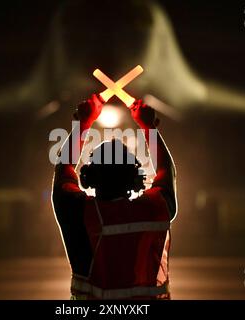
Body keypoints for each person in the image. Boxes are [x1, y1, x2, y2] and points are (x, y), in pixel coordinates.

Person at [52, 94, 177, 299]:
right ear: (136, 177)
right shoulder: (153, 210)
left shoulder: (79, 213)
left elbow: (63, 168)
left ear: (87, 177)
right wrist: (149, 128)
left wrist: (83, 123)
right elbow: (166, 171)